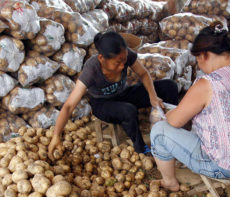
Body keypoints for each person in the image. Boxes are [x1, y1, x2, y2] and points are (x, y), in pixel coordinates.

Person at [149, 23, 230, 192]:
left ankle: (169, 182)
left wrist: (168, 112)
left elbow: (174, 121)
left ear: (203, 55)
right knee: (190, 112)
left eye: (197, 60)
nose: (200, 65)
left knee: (159, 131)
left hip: (222, 166)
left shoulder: (208, 83)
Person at [48, 31, 179, 158]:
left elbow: (144, 74)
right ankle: (141, 148)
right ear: (101, 58)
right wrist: (56, 136)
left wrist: (153, 96)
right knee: (128, 111)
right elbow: (69, 106)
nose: (123, 66)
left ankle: (175, 129)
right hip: (102, 104)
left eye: (124, 60)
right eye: (117, 63)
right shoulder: (91, 69)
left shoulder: (125, 55)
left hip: (123, 94)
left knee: (169, 86)